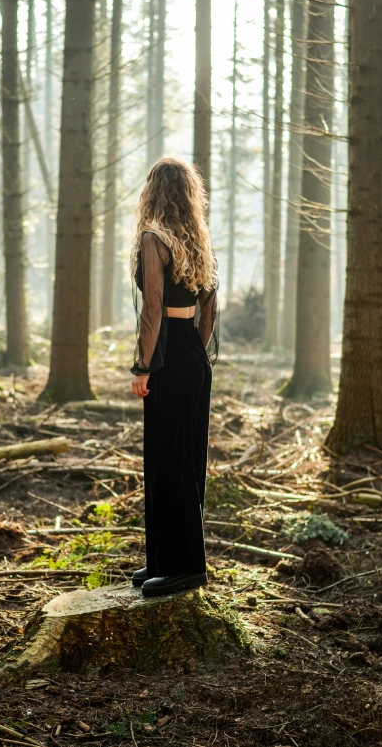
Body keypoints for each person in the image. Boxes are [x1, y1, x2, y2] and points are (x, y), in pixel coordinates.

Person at [129, 157, 219, 598]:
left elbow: (152, 310)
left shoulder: (153, 238)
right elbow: (210, 306)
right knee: (185, 460)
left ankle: (186, 568)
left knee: (168, 460)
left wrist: (144, 367)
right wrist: (196, 351)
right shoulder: (198, 241)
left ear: (153, 192)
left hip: (167, 356)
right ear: (189, 195)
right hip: (192, 354)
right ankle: (164, 560)